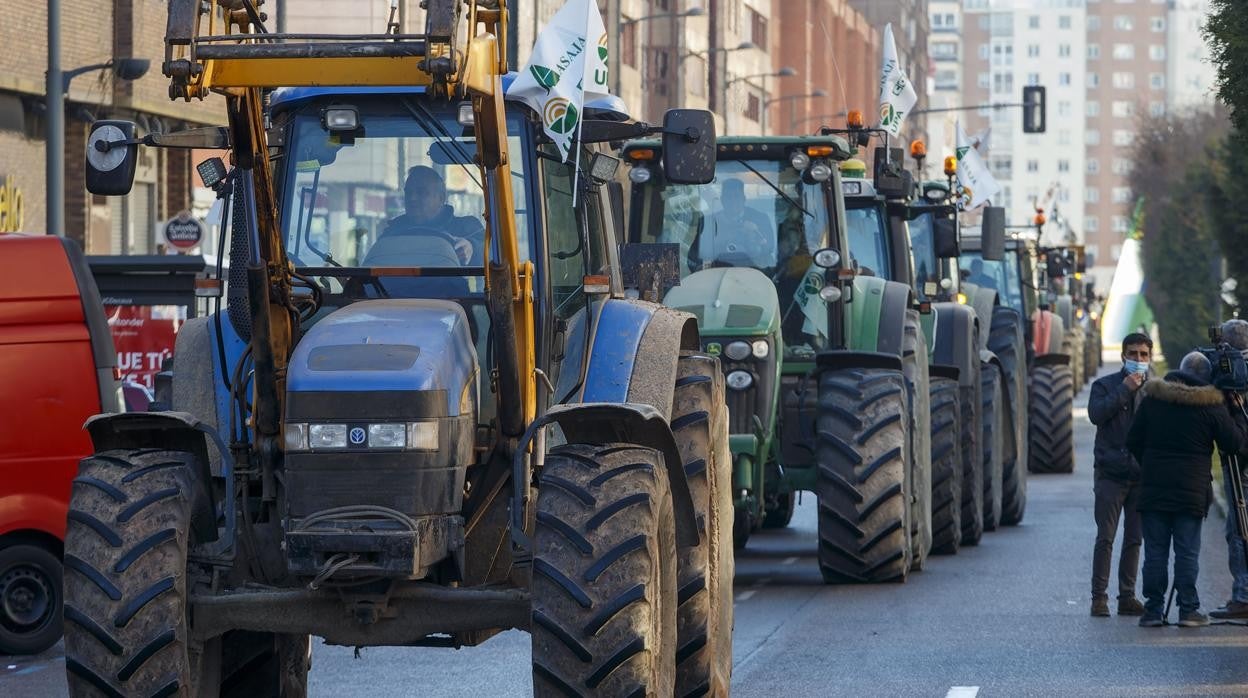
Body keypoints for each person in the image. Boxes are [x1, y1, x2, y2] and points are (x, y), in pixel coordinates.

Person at [1127, 351, 1248, 627]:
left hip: (1154, 488)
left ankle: (1153, 610)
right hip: (1191, 491)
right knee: (1187, 552)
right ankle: (1188, 610)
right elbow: (1234, 443)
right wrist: (1237, 410)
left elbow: (1133, 439)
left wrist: (1149, 465)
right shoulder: (1210, 407)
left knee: (1155, 553)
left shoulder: (1153, 401)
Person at [1086, 332, 1153, 617]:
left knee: (1134, 539)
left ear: (1149, 357)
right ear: (1123, 356)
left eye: (1143, 355)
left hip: (1141, 476)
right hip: (1110, 473)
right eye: (1133, 354)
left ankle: (1127, 596)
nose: (1138, 359)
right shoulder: (1105, 385)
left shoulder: (1155, 391)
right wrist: (1125, 389)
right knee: (1106, 537)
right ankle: (1099, 598)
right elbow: (1096, 414)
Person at [1211, 319, 1248, 620]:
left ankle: (1243, 596)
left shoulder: (1234, 373)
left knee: (1239, 529)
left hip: (1242, 463)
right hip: (1239, 458)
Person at [379, 165, 483, 265]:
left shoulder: (468, 228)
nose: (412, 198)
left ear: (441, 198)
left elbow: (493, 252)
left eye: (421, 192)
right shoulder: (392, 233)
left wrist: (472, 247)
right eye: (408, 192)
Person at [704, 178, 772, 266]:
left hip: (755, 270)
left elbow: (769, 249)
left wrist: (755, 232)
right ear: (722, 200)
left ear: (743, 199)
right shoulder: (708, 222)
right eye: (729, 197)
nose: (733, 201)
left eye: (736, 196)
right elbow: (696, 257)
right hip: (716, 270)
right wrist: (725, 237)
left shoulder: (761, 219)